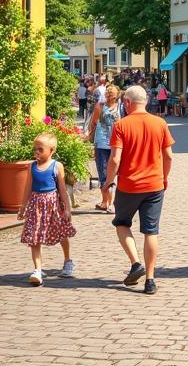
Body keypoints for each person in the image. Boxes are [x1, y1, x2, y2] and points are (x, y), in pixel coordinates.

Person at [101, 85, 175, 295]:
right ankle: (150, 279)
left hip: (129, 185)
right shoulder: (160, 123)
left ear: (127, 103)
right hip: (154, 185)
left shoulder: (121, 125)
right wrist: (164, 177)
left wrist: (107, 183)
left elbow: (115, 159)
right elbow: (169, 156)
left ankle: (135, 263)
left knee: (122, 223)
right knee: (151, 231)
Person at [18, 132, 76, 285]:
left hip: (53, 206)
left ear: (52, 150)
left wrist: (68, 209)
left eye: (40, 150)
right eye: (35, 149)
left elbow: (62, 189)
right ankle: (37, 270)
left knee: (61, 233)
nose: (36, 152)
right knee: (34, 237)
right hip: (36, 206)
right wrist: (22, 207)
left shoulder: (57, 166)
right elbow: (27, 188)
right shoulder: (32, 167)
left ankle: (67, 260)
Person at [87, 83, 124, 211]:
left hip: (117, 143)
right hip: (102, 143)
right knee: (103, 172)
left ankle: (110, 202)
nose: (108, 96)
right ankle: (106, 202)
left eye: (111, 94)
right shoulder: (100, 106)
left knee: (112, 172)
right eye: (107, 93)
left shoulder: (121, 107)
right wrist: (88, 137)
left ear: (116, 96)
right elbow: (93, 124)